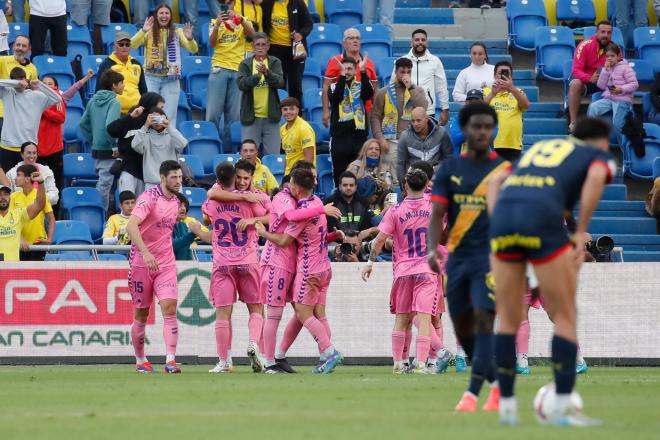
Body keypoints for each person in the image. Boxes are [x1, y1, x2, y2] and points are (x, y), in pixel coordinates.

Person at [487, 117, 615, 426]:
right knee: (565, 314)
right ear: (599, 140)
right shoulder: (594, 154)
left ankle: (505, 406)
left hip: (505, 221)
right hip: (544, 222)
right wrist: (579, 233)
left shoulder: (540, 149)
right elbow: (597, 177)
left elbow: (493, 183)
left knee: (508, 316)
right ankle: (561, 408)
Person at [427, 102, 508, 412]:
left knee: (485, 321)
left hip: (491, 258)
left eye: (488, 127)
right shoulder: (450, 169)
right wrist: (433, 248)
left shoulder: (504, 170)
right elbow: (437, 214)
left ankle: (473, 394)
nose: (483, 132)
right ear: (466, 129)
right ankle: (498, 383)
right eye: (477, 126)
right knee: (462, 327)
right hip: (457, 259)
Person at [256, 167, 344, 374]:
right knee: (308, 313)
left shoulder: (304, 210)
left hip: (305, 268)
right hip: (312, 266)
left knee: (300, 313)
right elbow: (302, 224)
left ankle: (328, 352)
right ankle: (277, 358)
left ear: (295, 186)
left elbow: (287, 237)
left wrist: (262, 232)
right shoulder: (312, 203)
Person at [361, 168, 439, 373]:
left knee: (401, 318)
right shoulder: (433, 206)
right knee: (423, 318)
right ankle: (422, 364)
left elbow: (379, 241)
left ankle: (397, 364)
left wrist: (369, 263)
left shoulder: (396, 210)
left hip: (403, 270)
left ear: (405, 186)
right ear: (425, 185)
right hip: (426, 268)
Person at [198, 160, 271, 374]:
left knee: (223, 314)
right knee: (256, 308)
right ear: (234, 177)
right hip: (248, 261)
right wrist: (253, 218)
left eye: (245, 178)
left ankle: (224, 361)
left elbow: (206, 215)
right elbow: (272, 216)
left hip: (222, 263)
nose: (241, 182)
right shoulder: (254, 199)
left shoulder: (214, 198)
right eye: (238, 177)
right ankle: (254, 345)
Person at [126, 159, 184, 374]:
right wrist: (145, 252)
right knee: (141, 314)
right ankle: (140, 360)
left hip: (166, 262)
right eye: (173, 177)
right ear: (162, 178)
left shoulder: (176, 201)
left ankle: (170, 360)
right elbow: (131, 225)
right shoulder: (148, 198)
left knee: (169, 308)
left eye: (179, 177)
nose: (178, 181)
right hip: (142, 263)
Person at [131, 4, 198, 129]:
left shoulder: (178, 32)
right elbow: (132, 44)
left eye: (167, 13)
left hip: (171, 80)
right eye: (161, 13)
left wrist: (190, 39)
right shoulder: (149, 31)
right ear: (156, 16)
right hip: (151, 78)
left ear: (171, 16)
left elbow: (193, 49)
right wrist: (143, 30)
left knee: (169, 115)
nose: (164, 16)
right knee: (149, 112)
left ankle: (167, 145)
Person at [206, 2, 256, 150]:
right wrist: (217, 25)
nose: (227, 8)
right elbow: (211, 44)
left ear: (234, 5)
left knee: (233, 117)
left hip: (237, 70)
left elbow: (254, 36)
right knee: (213, 114)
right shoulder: (215, 22)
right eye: (225, 4)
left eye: (230, 4)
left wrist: (241, 20)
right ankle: (211, 148)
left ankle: (227, 150)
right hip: (219, 69)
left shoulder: (242, 20)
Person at [370, 57, 428, 174]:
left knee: (412, 177)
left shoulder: (417, 91)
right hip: (391, 141)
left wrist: (411, 88)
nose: (405, 75)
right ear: (396, 72)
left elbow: (423, 108)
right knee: (393, 179)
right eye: (402, 72)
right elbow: (375, 117)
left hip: (413, 142)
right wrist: (380, 138)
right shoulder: (383, 93)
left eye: (408, 72)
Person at [39, 70, 95, 190]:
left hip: (54, 146)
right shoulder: (35, 98)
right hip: (38, 146)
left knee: (55, 178)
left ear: (56, 87)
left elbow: (75, 88)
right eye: (44, 83)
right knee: (38, 179)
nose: (47, 86)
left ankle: (56, 206)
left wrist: (86, 78)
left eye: (50, 84)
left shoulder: (61, 98)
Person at [0, 68, 61, 171]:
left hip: (28, 148)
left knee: (28, 183)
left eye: (21, 80)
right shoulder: (7, 92)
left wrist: (40, 85)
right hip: (7, 147)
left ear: (26, 79)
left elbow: (57, 98)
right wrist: (16, 83)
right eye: (15, 80)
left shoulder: (37, 96)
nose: (19, 84)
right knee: (6, 184)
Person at [80, 70, 124, 211]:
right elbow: (110, 126)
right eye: (122, 83)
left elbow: (83, 124)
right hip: (109, 149)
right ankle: (99, 215)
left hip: (97, 148)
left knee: (104, 183)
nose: (124, 86)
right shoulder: (114, 102)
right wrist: (114, 146)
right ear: (114, 85)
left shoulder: (92, 100)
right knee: (104, 186)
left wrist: (94, 140)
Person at [107, 92, 165, 197]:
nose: (161, 112)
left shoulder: (158, 126)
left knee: (143, 209)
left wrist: (165, 127)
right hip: (129, 169)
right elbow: (111, 130)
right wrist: (130, 117)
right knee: (128, 205)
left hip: (148, 174)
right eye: (160, 107)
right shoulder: (132, 119)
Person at [328, 55, 374, 186]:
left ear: (355, 71)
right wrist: (341, 77)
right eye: (344, 69)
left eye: (349, 69)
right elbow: (336, 98)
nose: (347, 72)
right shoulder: (333, 87)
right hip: (339, 140)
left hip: (358, 140)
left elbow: (369, 93)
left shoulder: (361, 85)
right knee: (339, 176)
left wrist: (364, 71)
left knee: (359, 176)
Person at [237, 32, 285, 156]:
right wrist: (257, 76)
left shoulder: (275, 62)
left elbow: (280, 82)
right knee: (248, 157)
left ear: (268, 46)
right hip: (250, 117)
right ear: (252, 47)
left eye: (263, 44)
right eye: (257, 44)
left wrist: (267, 73)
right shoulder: (245, 64)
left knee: (273, 156)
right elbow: (241, 84)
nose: (260, 47)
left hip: (271, 117)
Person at [322, 27, 379, 128]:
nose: (355, 40)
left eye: (357, 38)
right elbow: (326, 87)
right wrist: (326, 111)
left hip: (364, 112)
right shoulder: (335, 61)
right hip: (342, 112)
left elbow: (375, 89)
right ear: (344, 43)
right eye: (351, 38)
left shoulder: (368, 63)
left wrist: (377, 112)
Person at [261, 0, 312, 104]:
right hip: (274, 50)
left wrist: (301, 34)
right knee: (278, 85)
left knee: (295, 85)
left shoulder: (298, 3)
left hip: (294, 51)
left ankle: (297, 116)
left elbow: (309, 23)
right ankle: (278, 116)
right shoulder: (267, 3)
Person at [396, 29, 449, 125]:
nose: (420, 42)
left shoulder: (435, 61)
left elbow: (442, 87)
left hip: (427, 111)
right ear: (411, 42)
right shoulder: (401, 60)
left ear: (427, 43)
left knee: (427, 139)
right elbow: (393, 83)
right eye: (417, 40)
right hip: (406, 111)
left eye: (423, 40)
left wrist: (445, 109)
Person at [587, 43, 638, 143]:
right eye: (607, 56)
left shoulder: (625, 67)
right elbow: (601, 86)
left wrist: (621, 89)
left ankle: (625, 148)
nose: (609, 58)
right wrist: (605, 71)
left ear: (618, 56)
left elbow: (634, 84)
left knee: (617, 124)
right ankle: (592, 138)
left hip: (622, 100)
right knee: (593, 107)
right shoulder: (607, 68)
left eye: (612, 56)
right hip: (609, 98)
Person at [568, 21, 613, 133]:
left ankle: (618, 124)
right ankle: (573, 123)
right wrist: (589, 78)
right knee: (575, 84)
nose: (606, 35)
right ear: (596, 32)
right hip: (586, 82)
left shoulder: (615, 48)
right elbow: (575, 70)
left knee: (621, 87)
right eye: (603, 32)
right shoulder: (584, 45)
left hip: (606, 83)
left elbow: (620, 69)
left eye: (609, 33)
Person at [483, 61, 530, 162]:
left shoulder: (518, 92)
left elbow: (526, 106)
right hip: (491, 144)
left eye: (506, 73)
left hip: (513, 144)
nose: (503, 76)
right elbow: (478, 110)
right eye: (500, 73)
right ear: (494, 75)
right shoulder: (486, 91)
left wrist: (512, 88)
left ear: (511, 77)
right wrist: (492, 93)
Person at [131, 107, 187, 189]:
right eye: (153, 119)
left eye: (158, 118)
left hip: (173, 181)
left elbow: (182, 144)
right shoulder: (145, 135)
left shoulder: (171, 134)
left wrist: (169, 127)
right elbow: (135, 146)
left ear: (164, 117)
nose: (156, 122)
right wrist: (145, 125)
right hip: (152, 183)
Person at [325, 171, 378, 256]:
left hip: (360, 242)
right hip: (337, 243)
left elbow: (368, 225)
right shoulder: (330, 202)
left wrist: (358, 239)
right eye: (345, 185)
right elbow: (330, 229)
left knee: (377, 245)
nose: (348, 188)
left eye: (351, 185)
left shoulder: (363, 202)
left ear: (356, 187)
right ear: (339, 186)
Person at [396, 107, 453, 185]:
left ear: (426, 119)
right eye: (413, 121)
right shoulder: (405, 136)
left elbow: (449, 159)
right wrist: (403, 187)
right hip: (414, 182)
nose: (415, 124)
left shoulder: (441, 133)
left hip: (436, 181)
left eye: (418, 120)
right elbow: (400, 163)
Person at [96, 32, 148, 115]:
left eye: (127, 44)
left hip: (137, 111)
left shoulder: (136, 64)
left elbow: (143, 89)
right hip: (115, 112)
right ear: (114, 45)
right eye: (121, 44)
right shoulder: (107, 65)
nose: (124, 47)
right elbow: (100, 90)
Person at [10, 163, 54, 261]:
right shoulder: (13, 197)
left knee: (36, 275)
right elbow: (11, 221)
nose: (15, 178)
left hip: (38, 243)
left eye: (18, 175)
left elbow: (51, 219)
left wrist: (50, 239)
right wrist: (20, 238)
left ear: (27, 178)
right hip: (20, 244)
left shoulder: (40, 195)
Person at [0, 169, 46, 262]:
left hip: (12, 268)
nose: (3, 197)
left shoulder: (18, 214)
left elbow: (39, 205)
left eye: (6, 194)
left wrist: (40, 183)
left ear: (10, 196)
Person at [0, 35, 38, 132]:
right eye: (18, 45)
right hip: (2, 114)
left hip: (19, 115)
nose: (20, 48)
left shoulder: (32, 68)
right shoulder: (3, 61)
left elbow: (34, 92)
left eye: (24, 46)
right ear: (13, 46)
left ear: (29, 49)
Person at [280, 96, 315, 175]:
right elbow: (288, 155)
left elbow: (309, 158)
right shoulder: (282, 129)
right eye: (285, 109)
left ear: (298, 110)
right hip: (289, 175)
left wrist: (304, 176)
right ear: (281, 111)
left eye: (292, 109)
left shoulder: (304, 128)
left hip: (302, 174)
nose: (288, 112)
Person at [172, 195, 207, 261]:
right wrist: (192, 234)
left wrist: (190, 266)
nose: (183, 208)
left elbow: (187, 249)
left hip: (182, 268)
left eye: (185, 206)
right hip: (168, 267)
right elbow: (172, 245)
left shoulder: (184, 225)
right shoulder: (164, 225)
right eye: (180, 206)